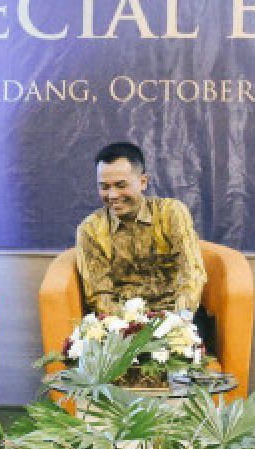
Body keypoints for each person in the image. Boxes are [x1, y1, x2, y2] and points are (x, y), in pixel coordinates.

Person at [74, 142, 212, 342]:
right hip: (121, 324)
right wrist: (131, 329)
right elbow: (99, 294)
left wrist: (177, 323)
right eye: (104, 187)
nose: (113, 195)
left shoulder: (171, 213)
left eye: (121, 185)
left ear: (143, 182)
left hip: (175, 316)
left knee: (185, 350)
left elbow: (191, 273)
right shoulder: (90, 230)